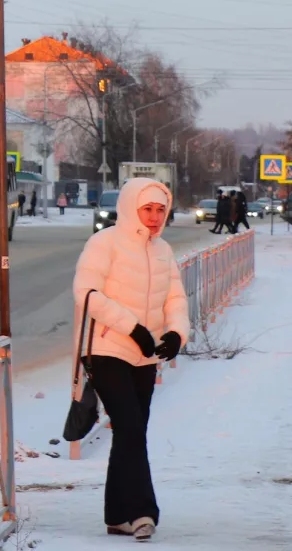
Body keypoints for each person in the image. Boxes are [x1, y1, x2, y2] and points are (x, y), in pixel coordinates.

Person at [73, 178, 188, 541]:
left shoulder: (162, 250)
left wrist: (176, 333)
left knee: (129, 432)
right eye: (148, 209)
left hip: (145, 356)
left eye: (160, 210)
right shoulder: (103, 242)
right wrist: (133, 327)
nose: (155, 217)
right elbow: (86, 293)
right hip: (106, 349)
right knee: (131, 428)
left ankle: (116, 515)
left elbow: (176, 300)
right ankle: (142, 512)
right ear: (130, 208)